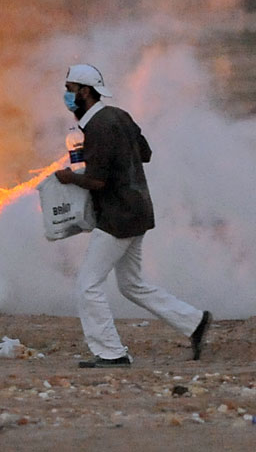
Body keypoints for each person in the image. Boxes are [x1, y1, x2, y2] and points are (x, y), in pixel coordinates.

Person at [55, 63, 212, 369]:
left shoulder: (98, 127)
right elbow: (145, 153)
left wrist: (70, 178)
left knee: (88, 284)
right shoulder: (118, 116)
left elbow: (98, 182)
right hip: (137, 210)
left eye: (70, 89)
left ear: (85, 91)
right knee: (131, 285)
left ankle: (111, 353)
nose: (67, 95)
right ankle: (194, 322)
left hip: (118, 218)